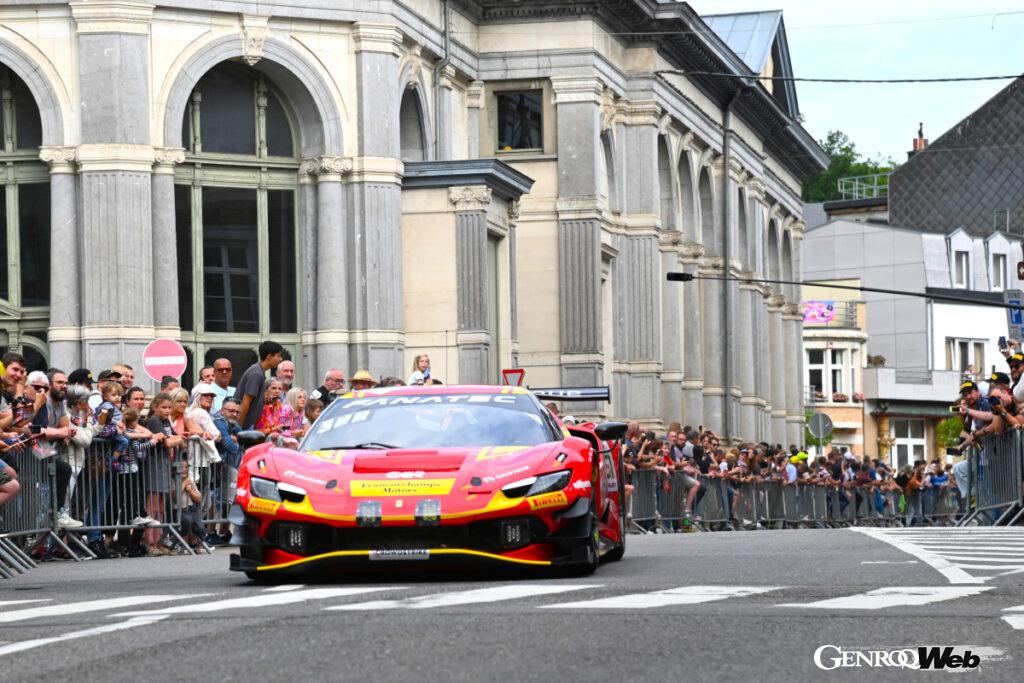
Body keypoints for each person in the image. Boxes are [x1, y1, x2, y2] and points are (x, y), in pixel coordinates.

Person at [144, 392, 184, 556]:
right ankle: (150, 542)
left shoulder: (165, 420)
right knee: (152, 506)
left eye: (169, 407)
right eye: (164, 407)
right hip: (154, 464)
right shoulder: (154, 420)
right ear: (155, 407)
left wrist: (178, 438)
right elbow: (169, 442)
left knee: (160, 506)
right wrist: (179, 440)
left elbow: (174, 435)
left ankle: (159, 541)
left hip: (164, 464)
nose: (168, 411)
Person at [236, 341, 285, 429]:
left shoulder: (259, 372)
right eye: (278, 356)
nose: (280, 359)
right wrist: (238, 429)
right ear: (269, 357)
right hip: (245, 426)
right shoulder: (256, 373)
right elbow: (245, 402)